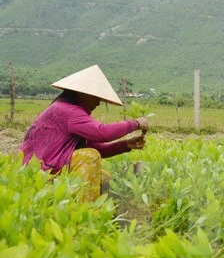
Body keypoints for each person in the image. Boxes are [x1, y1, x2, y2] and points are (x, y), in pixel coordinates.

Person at [19, 65, 149, 201]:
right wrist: (135, 123)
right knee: (89, 157)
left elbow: (94, 146)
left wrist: (126, 145)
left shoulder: (67, 109)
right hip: (38, 174)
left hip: (45, 170)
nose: (98, 103)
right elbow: (102, 133)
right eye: (96, 97)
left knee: (104, 178)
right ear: (82, 93)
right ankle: (87, 212)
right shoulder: (70, 111)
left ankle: (110, 214)